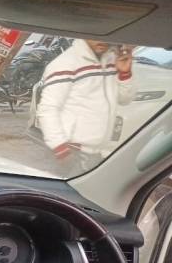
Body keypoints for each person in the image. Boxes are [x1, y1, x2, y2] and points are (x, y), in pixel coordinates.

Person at [36, 39, 134, 176]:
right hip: (71, 152)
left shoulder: (112, 60)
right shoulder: (64, 63)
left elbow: (124, 99)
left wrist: (125, 73)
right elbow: (48, 109)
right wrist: (59, 147)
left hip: (98, 152)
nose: (100, 39)